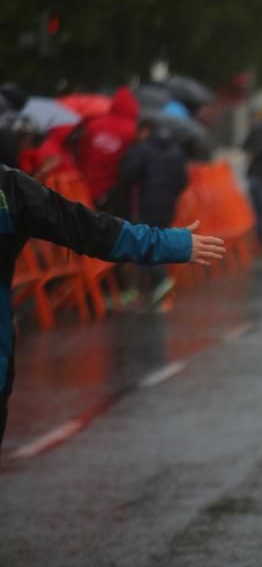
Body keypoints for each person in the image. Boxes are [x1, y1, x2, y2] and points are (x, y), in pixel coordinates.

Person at [1, 162, 225, 453]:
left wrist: (170, 244)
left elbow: (87, 228)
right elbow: (87, 229)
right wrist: (169, 244)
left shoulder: (13, 187)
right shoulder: (10, 187)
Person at [119, 118, 190, 306]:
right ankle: (150, 288)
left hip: (147, 202)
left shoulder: (143, 149)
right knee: (158, 238)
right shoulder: (176, 150)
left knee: (145, 240)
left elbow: (129, 174)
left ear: (146, 130)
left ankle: (160, 280)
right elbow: (183, 181)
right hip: (168, 203)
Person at [77, 87, 139, 217]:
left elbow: (82, 155)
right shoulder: (133, 131)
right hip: (114, 192)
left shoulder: (94, 125)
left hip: (87, 187)